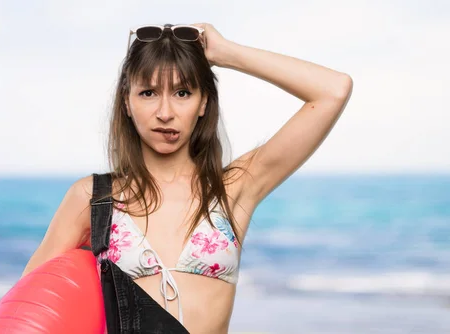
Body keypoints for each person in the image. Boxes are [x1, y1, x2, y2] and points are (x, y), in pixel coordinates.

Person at [21, 23, 353, 333]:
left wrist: (226, 53)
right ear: (126, 101)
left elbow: (333, 90)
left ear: (204, 102)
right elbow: (25, 311)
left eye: (182, 93)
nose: (165, 113)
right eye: (148, 93)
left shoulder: (233, 189)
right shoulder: (94, 198)